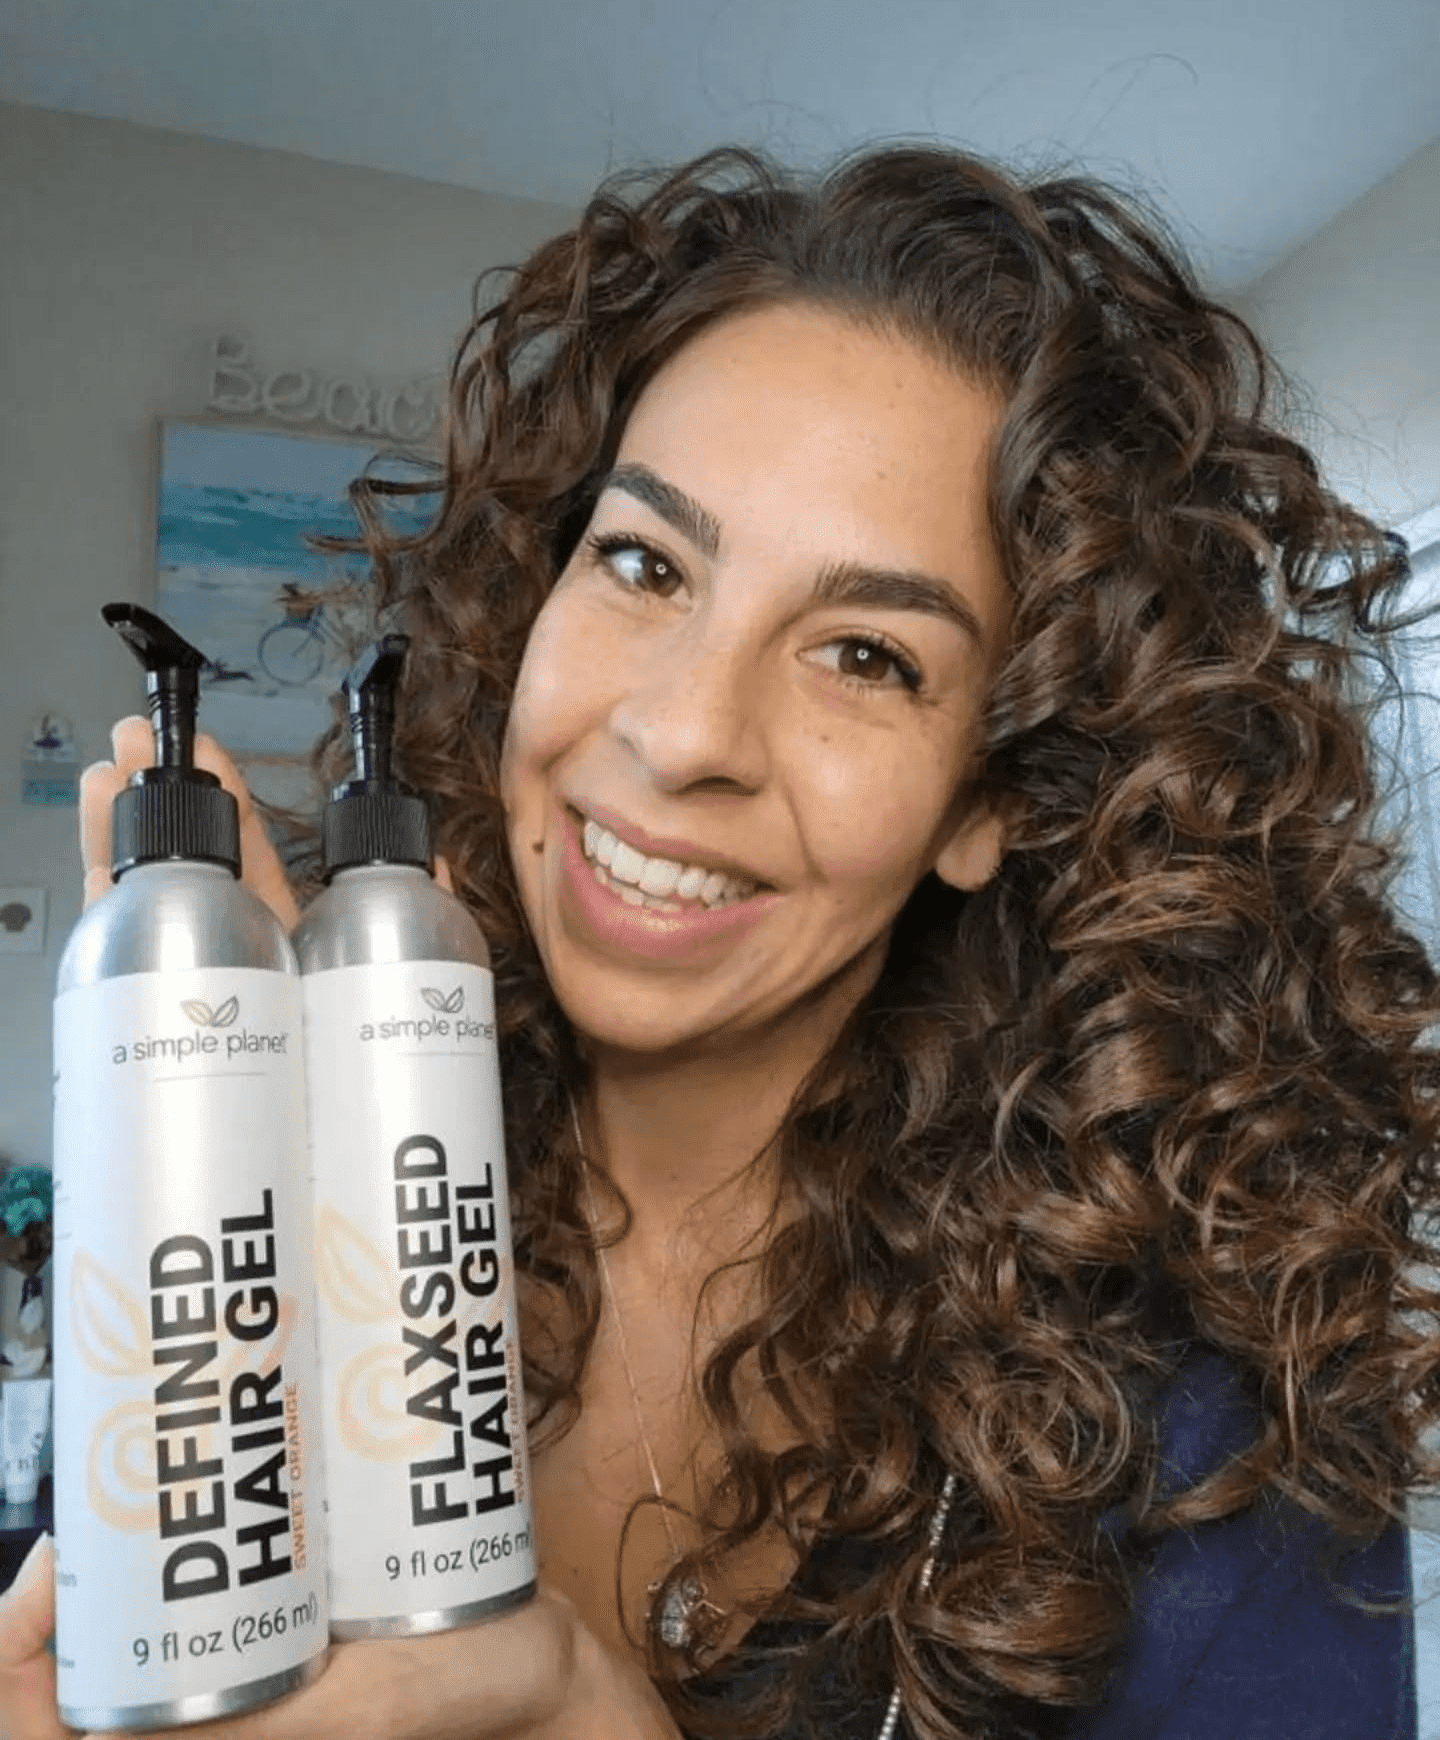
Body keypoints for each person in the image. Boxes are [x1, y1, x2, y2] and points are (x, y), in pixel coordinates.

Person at [4, 142, 1437, 1740]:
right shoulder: (236, 1218)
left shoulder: (1214, 1455)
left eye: (865, 656)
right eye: (642, 559)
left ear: (997, 796)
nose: (684, 732)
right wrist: (282, 1186)